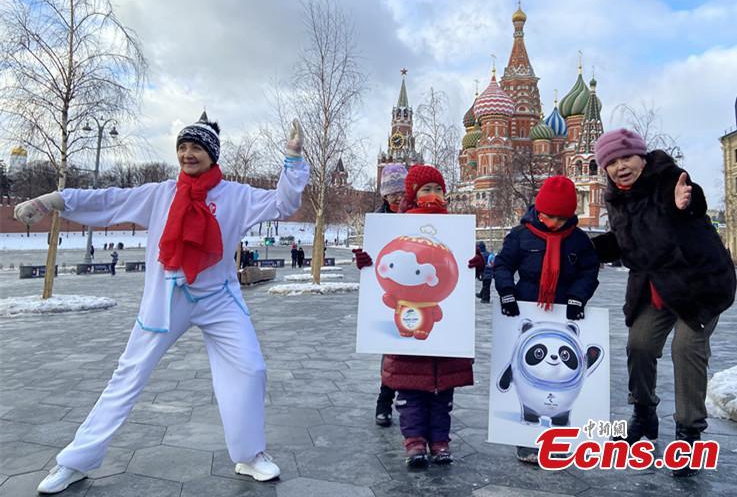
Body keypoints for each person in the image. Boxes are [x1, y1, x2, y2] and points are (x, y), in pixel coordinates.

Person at [14, 112, 309, 494]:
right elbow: (110, 201)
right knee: (128, 376)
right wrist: (53, 200)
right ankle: (74, 462)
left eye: (197, 148)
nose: (188, 154)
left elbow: (284, 205)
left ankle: (249, 454)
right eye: (183, 147)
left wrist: (293, 159)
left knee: (250, 369)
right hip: (168, 298)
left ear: (212, 154)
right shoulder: (161, 194)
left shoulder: (236, 195)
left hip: (218, 298)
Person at [591, 128, 736, 477]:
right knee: (639, 345)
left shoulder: (668, 178)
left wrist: (689, 201)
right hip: (655, 287)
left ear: (642, 156)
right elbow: (626, 239)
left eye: (627, 157)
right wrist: (583, 249)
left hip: (697, 284)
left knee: (686, 349)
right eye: (611, 162)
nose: (620, 166)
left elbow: (690, 202)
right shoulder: (616, 198)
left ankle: (688, 434)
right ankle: (644, 414)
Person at [353, 165, 475, 468]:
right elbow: (383, 263)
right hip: (407, 334)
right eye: (425, 189)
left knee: (443, 395)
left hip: (445, 339)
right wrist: (367, 262)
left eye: (437, 189)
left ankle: (440, 442)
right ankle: (414, 442)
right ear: (413, 195)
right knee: (409, 392)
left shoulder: (458, 229)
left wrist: (477, 263)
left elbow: (464, 265)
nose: (433, 195)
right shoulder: (399, 227)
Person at [492, 175, 600, 464]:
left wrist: (578, 297)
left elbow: (589, 272)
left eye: (558, 218)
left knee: (558, 380)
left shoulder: (579, 241)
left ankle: (559, 439)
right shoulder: (521, 235)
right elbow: (503, 264)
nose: (550, 222)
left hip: (563, 312)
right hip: (526, 309)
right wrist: (506, 293)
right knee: (526, 377)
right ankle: (526, 440)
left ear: (569, 216)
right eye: (545, 215)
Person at [357, 163, 407, 427]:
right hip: (390, 293)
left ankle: (413, 405)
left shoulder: (420, 216)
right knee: (392, 352)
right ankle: (384, 401)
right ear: (384, 196)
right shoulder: (377, 222)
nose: (398, 197)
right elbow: (372, 258)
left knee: (416, 352)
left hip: (419, 290)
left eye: (402, 191)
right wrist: (364, 260)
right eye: (392, 192)